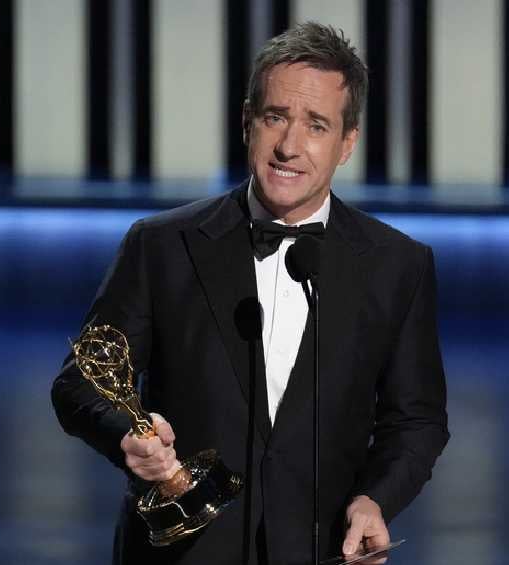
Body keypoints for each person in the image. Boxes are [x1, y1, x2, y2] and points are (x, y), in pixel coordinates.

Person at [52, 22, 448, 565]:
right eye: (275, 117)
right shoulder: (161, 245)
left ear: (347, 143)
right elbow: (80, 383)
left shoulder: (397, 265)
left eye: (316, 125)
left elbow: (417, 421)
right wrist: (128, 437)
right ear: (246, 122)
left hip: (321, 550)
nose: (289, 146)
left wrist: (375, 499)